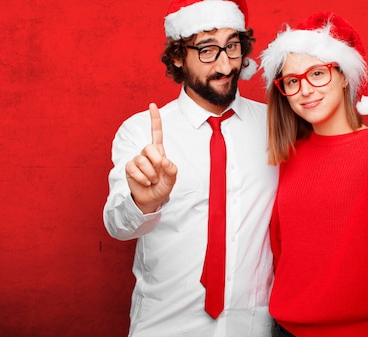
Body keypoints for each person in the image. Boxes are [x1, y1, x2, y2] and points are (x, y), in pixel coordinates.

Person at [103, 1, 278, 336]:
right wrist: (144, 202)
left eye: (232, 45)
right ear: (179, 55)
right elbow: (117, 225)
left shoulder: (276, 126)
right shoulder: (141, 132)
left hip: (253, 328)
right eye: (208, 49)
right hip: (165, 326)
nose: (226, 65)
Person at [259, 12, 368, 337]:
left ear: (345, 76)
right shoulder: (287, 156)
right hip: (288, 330)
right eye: (292, 81)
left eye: (318, 73)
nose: (305, 89)